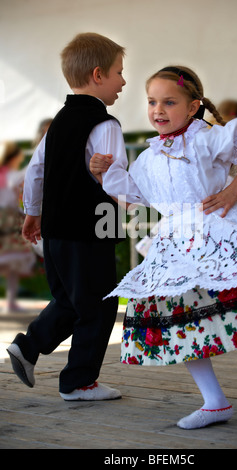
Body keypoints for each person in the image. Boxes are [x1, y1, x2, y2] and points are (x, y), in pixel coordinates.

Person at [90, 66, 237, 429]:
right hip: (175, 246)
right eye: (152, 102)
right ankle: (214, 401)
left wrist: (234, 191)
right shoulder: (149, 157)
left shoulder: (207, 136)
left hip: (222, 233)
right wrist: (101, 173)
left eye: (169, 102)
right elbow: (129, 198)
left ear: (192, 107)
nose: (158, 110)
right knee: (180, 318)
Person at [6, 32, 139, 401]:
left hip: (56, 230)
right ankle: (78, 382)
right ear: (99, 75)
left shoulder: (59, 123)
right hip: (91, 228)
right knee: (99, 304)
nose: (123, 81)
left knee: (70, 299)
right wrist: (141, 203)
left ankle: (28, 347)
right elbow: (114, 180)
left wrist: (32, 213)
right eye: (119, 72)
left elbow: (35, 171)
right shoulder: (105, 125)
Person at [0, 142, 35, 313]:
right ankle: (11, 301)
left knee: (11, 263)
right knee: (11, 262)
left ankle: (11, 301)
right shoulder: (10, 175)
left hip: (8, 218)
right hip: (6, 220)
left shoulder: (7, 174)